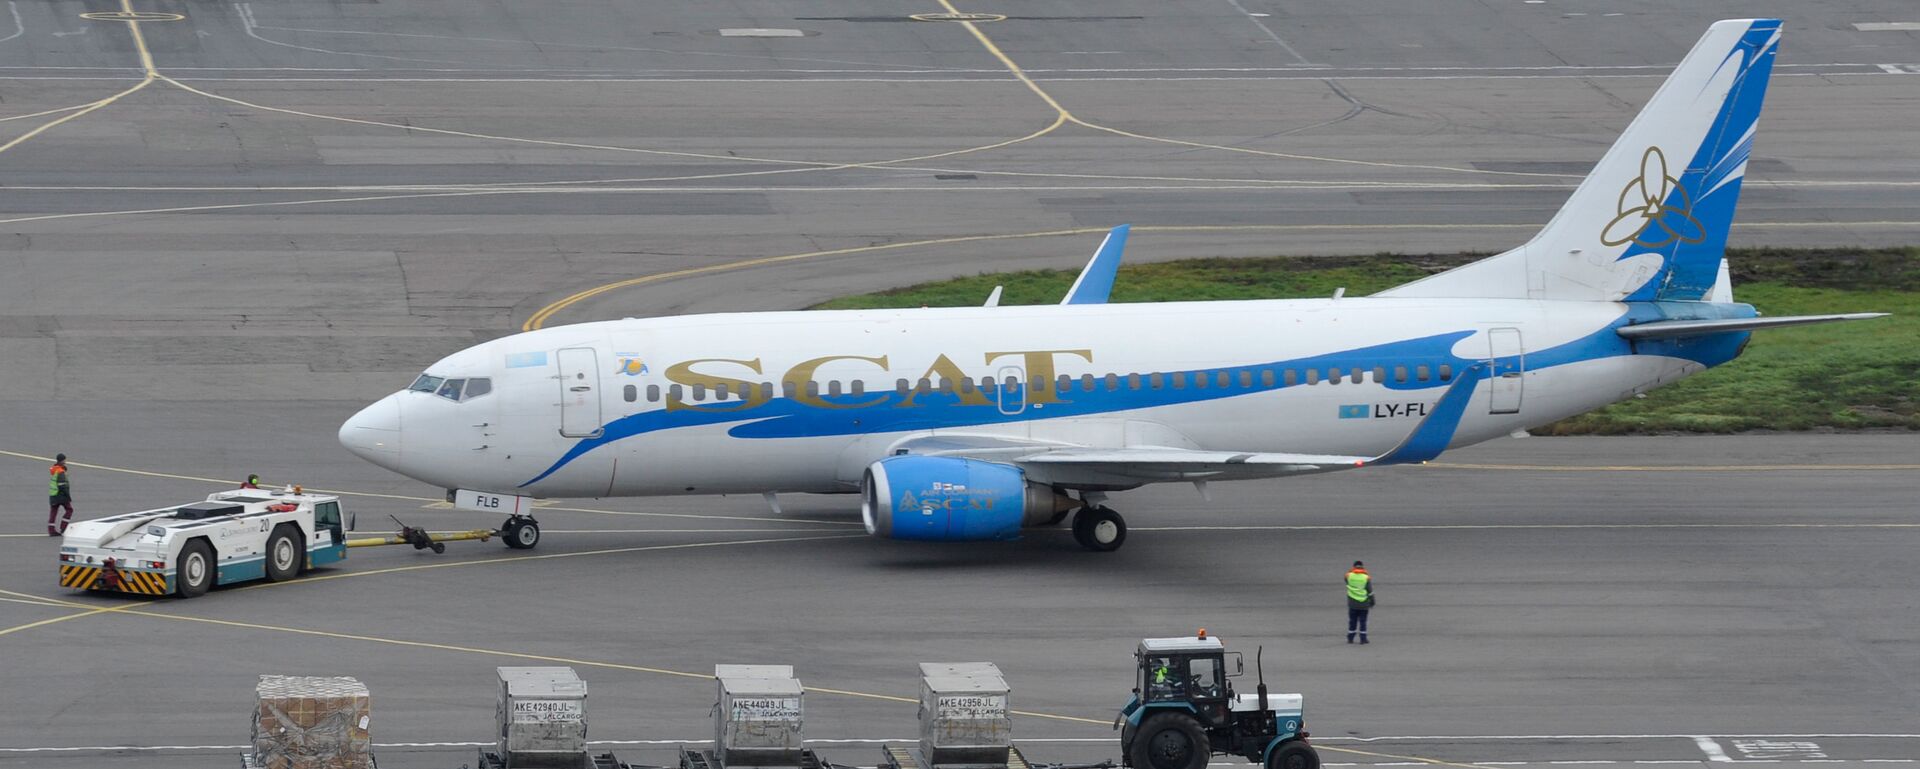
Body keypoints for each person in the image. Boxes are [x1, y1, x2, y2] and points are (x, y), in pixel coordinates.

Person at [1345, 560, 1374, 644]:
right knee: (1363, 621)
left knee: (1352, 621)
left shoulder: (1348, 576)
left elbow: (1346, 581)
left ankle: (1350, 638)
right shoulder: (1366, 577)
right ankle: (1363, 639)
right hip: (1364, 603)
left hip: (1352, 603)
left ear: (1354, 567)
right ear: (1362, 567)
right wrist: (1372, 601)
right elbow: (1370, 591)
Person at [47, 453, 73, 536]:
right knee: (69, 510)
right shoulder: (60, 472)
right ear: (62, 461)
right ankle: (63, 527)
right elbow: (62, 485)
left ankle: (51, 530)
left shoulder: (54, 469)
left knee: (53, 512)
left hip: (53, 495)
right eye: (64, 460)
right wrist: (68, 496)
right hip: (61, 495)